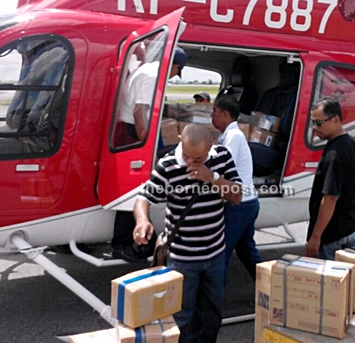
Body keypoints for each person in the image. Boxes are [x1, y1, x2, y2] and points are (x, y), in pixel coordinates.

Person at [132, 123, 243, 343]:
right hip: (183, 259)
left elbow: (237, 195)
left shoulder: (221, 156)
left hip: (215, 255)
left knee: (211, 315)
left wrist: (212, 177)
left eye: (198, 158)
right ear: (180, 141)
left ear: (211, 144)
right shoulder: (168, 166)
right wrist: (142, 221)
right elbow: (143, 198)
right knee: (181, 317)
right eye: (187, 155)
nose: (191, 162)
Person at [111, 47, 186, 262]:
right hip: (131, 132)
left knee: (133, 186)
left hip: (130, 129)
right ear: (173, 65)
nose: (173, 76)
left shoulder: (148, 71)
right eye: (176, 71)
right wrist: (147, 144)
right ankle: (122, 244)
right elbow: (139, 111)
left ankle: (134, 239)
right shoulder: (153, 75)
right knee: (133, 187)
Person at [211, 95, 262, 280]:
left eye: (214, 112)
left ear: (225, 114)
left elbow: (222, 166)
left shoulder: (233, 136)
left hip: (239, 205)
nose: (211, 116)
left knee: (219, 254)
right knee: (246, 250)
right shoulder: (229, 135)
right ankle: (270, 290)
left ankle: (213, 302)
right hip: (248, 203)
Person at [306, 97, 355, 260]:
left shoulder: (334, 154)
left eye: (319, 123)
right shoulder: (352, 143)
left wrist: (316, 236)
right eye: (312, 122)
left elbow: (330, 197)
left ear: (336, 119)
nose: (314, 128)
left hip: (333, 235)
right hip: (352, 228)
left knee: (328, 285)